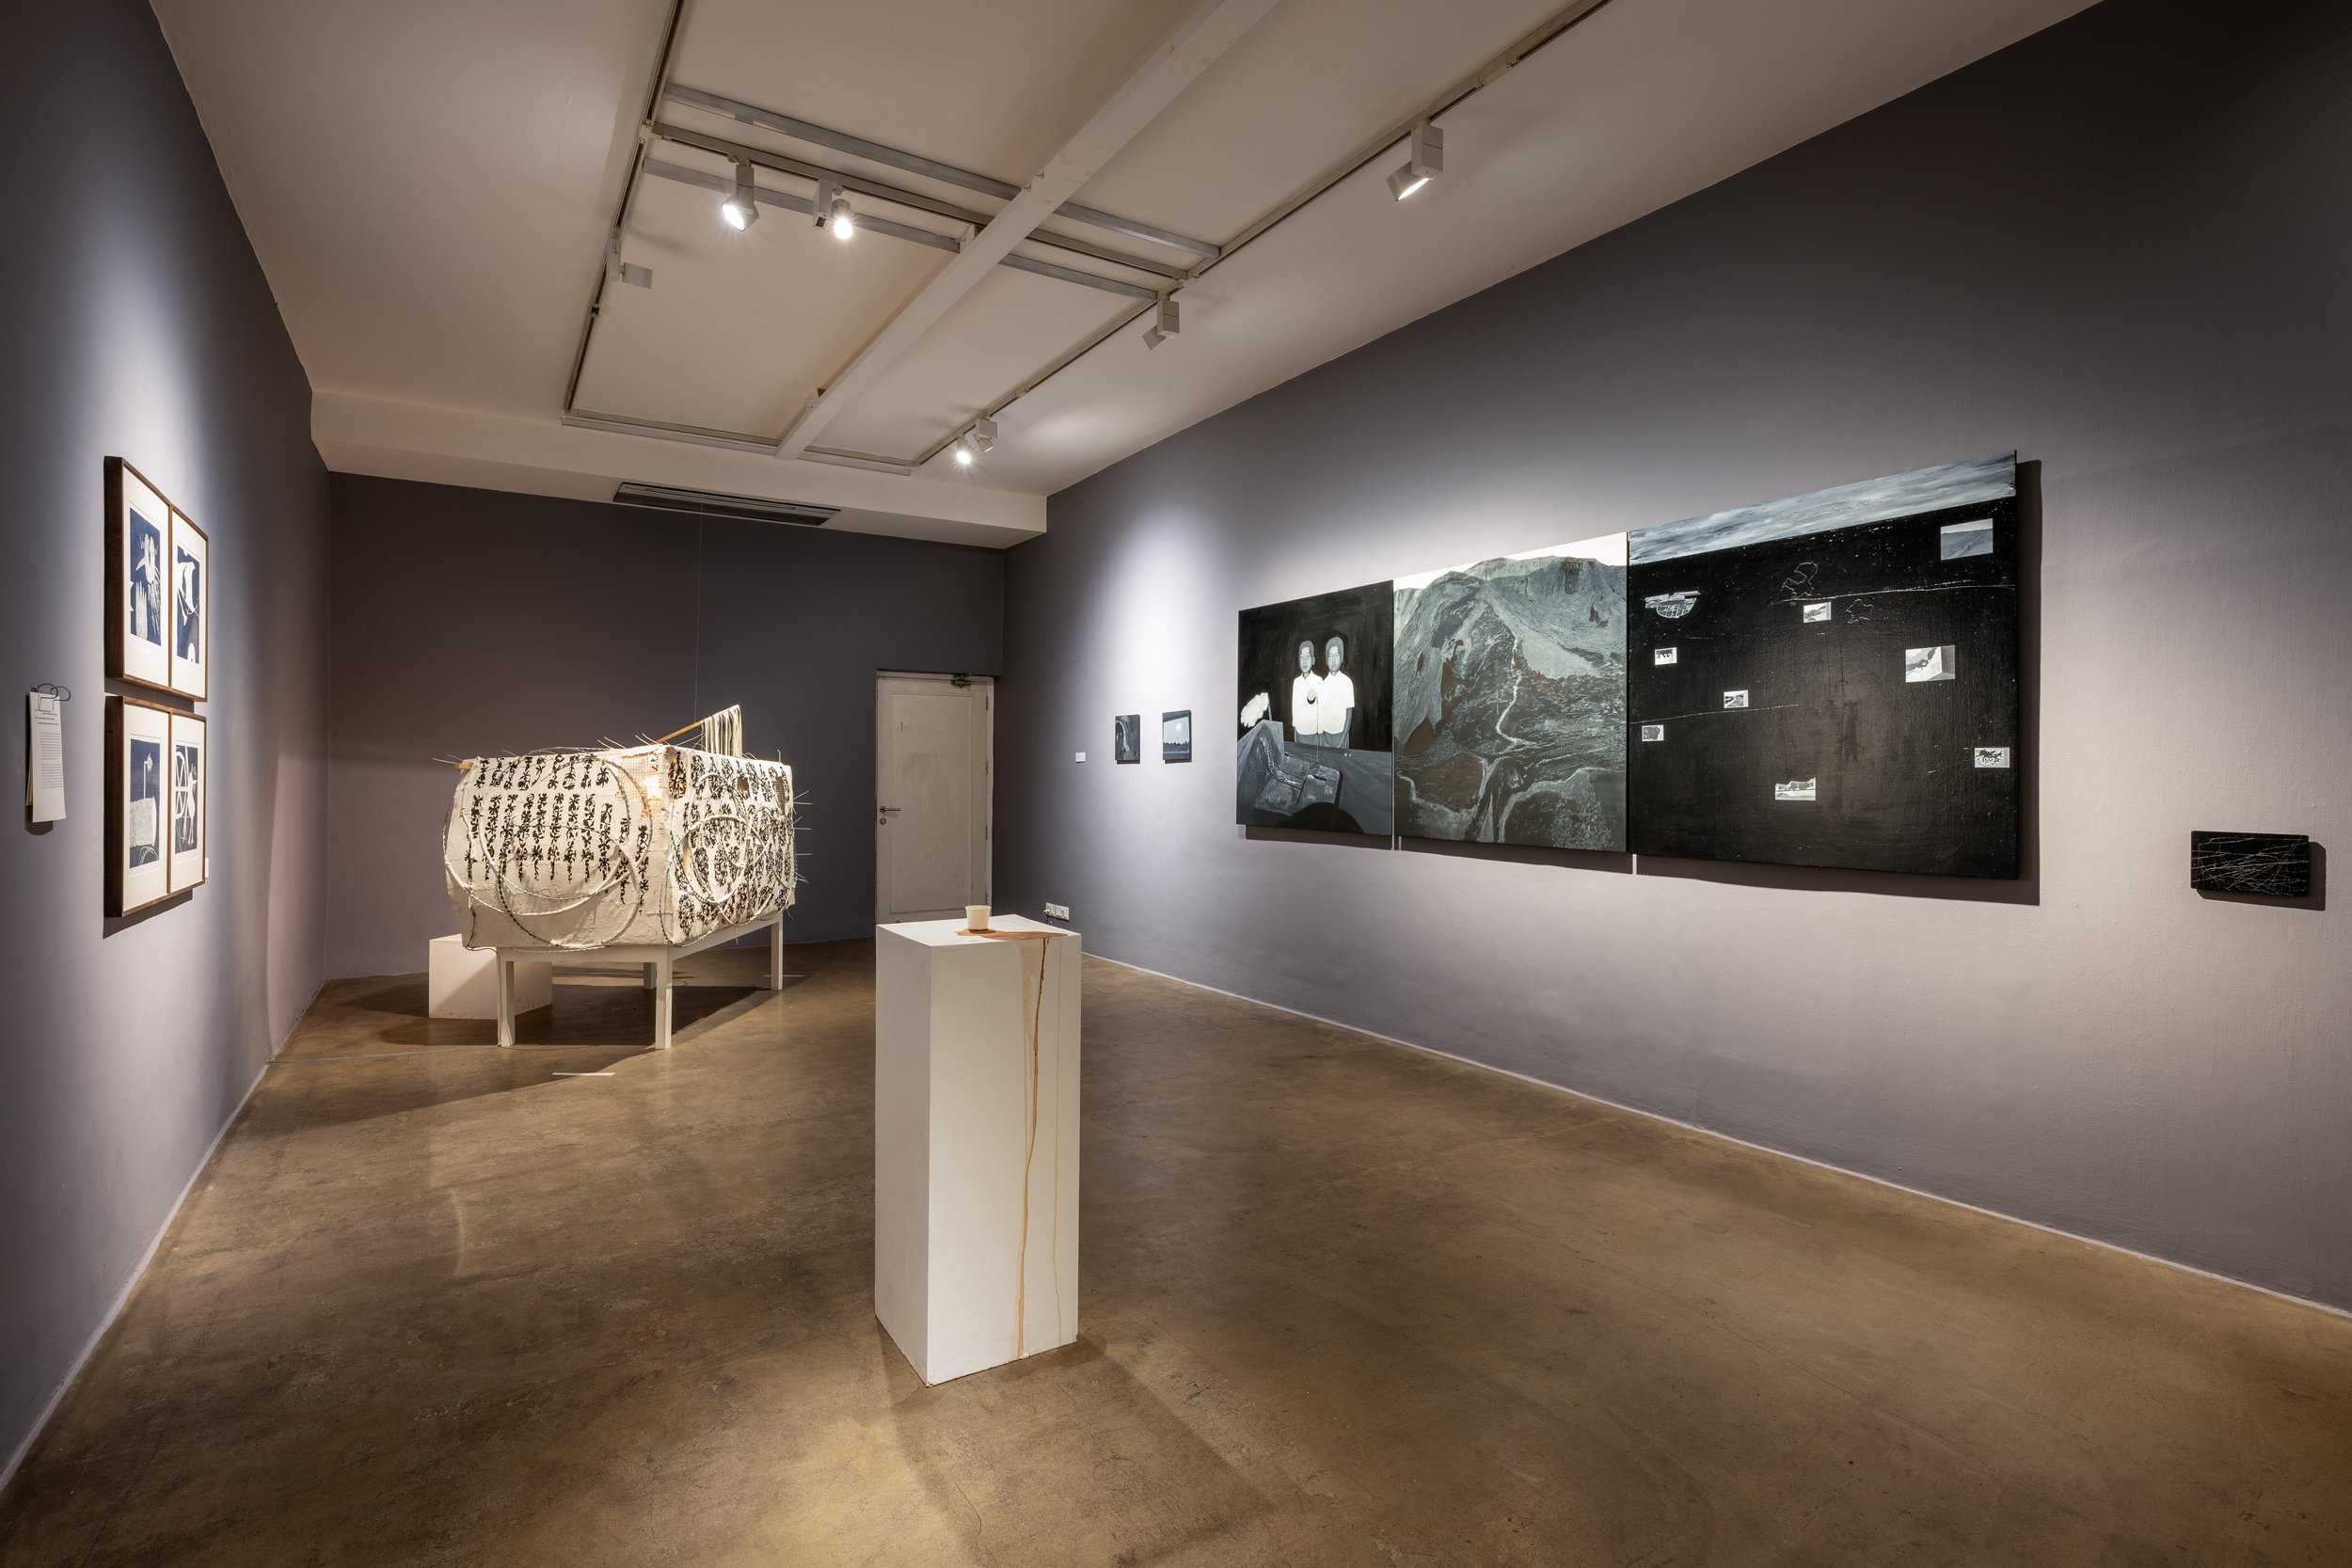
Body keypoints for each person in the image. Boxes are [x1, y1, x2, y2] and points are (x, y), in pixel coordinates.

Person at [1317, 634, 1356, 745]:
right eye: (1330, 656)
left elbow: (1349, 716)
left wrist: (1342, 741)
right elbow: (1321, 715)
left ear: (1341, 658)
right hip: (1325, 738)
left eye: (1336, 655)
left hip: (1341, 737)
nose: (1333, 660)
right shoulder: (1322, 684)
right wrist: (1323, 741)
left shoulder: (1347, 682)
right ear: (1327, 660)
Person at [1287, 638, 1324, 743]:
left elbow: (1321, 710)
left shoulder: (1318, 681)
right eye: (1302, 657)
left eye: (1307, 657)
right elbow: (1294, 708)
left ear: (1313, 660)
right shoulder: (1296, 682)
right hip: (1300, 733)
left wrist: (1320, 734)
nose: (1304, 661)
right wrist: (1295, 731)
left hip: (1314, 735)